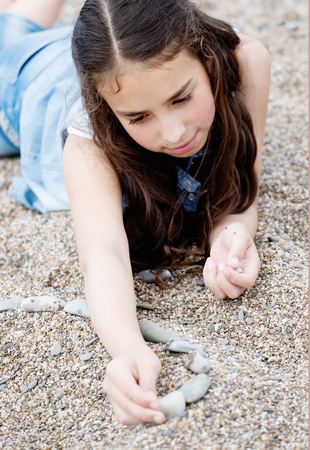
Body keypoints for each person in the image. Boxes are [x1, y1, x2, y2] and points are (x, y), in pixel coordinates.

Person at [0, 0, 270, 425]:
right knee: (8, 41)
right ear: (106, 108)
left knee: (18, 29)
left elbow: (240, 189)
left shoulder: (245, 60)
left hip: (108, 55)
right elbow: (102, 252)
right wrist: (127, 348)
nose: (174, 132)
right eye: (138, 117)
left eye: (182, 98)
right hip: (26, 88)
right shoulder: (88, 138)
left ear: (205, 58)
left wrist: (232, 234)